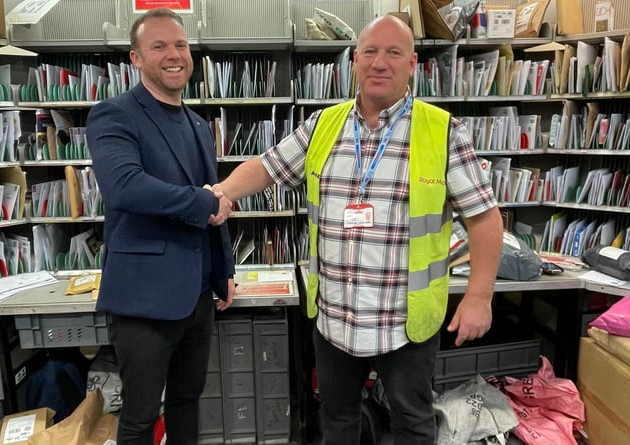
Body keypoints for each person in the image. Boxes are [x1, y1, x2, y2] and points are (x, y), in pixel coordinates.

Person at [214, 14, 503, 445]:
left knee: (412, 422)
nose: (379, 63)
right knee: (337, 420)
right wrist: (220, 192)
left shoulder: (442, 131)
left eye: (393, 53)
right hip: (336, 319)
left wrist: (479, 297)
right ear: (354, 61)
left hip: (403, 323)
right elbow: (267, 168)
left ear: (412, 64)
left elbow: (484, 219)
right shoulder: (324, 125)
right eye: (369, 51)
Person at [86, 8, 235, 445]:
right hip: (144, 299)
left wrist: (224, 270)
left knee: (189, 399)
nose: (174, 55)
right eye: (160, 46)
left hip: (198, 296)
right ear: (135, 58)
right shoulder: (114, 114)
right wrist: (205, 200)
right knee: (140, 415)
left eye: (181, 45)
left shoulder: (196, 124)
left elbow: (215, 204)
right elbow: (124, 188)